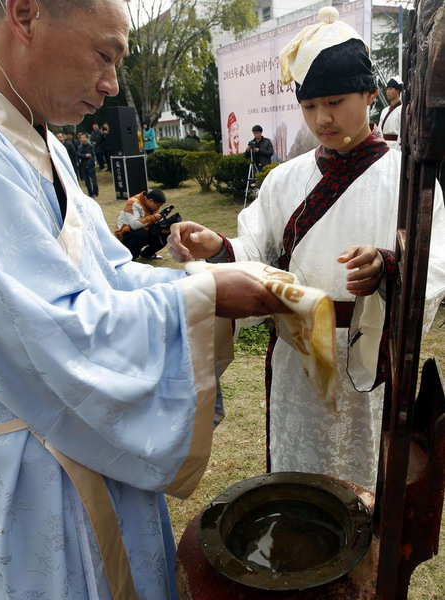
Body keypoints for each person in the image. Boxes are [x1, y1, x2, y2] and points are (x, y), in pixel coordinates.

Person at [0, 0, 291, 598]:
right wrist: (205, 296)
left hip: (87, 438)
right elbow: (46, 334)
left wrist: (203, 286)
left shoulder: (35, 139)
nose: (110, 84)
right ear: (25, 14)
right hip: (33, 461)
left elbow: (107, 277)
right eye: (104, 55)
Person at [168, 6, 445, 492]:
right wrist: (218, 247)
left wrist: (387, 267)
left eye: (336, 101)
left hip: (367, 356)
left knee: (361, 483)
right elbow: (254, 250)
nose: (322, 118)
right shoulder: (285, 180)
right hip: (297, 357)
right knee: (298, 476)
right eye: (309, 105)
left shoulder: (409, 179)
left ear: (369, 93)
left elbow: (436, 262)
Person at [114, 188, 170, 260]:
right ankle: (131, 258)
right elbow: (134, 225)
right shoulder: (133, 202)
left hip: (142, 233)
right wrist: (153, 218)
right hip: (124, 236)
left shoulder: (152, 207)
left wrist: (164, 227)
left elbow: (155, 221)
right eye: (158, 206)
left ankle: (147, 254)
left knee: (165, 233)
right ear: (151, 201)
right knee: (141, 233)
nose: (158, 208)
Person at [379, 75, 403, 150]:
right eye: (387, 89)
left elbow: (401, 133)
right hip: (383, 147)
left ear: (397, 90)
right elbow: (379, 131)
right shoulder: (384, 111)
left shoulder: (402, 109)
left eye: (390, 89)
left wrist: (398, 151)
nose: (387, 92)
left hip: (396, 147)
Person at [77, 131, 99, 197]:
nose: (83, 139)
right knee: (87, 181)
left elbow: (90, 154)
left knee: (93, 180)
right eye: (81, 138)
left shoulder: (90, 146)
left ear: (86, 138)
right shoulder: (79, 147)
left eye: (84, 137)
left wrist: (84, 155)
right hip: (83, 165)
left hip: (90, 165)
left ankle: (95, 192)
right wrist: (85, 155)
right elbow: (78, 154)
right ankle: (90, 193)